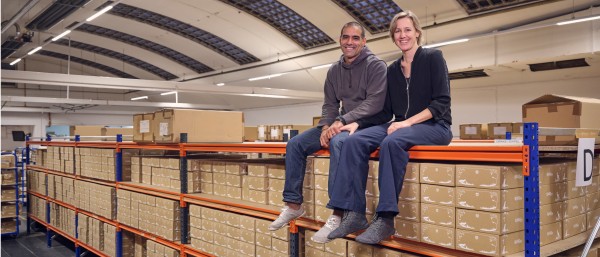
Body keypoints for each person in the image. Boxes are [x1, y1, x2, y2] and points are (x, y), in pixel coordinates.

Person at [325, 10, 453, 244]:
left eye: (407, 30)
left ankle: (385, 219)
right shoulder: (393, 70)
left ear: (417, 33)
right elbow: (385, 112)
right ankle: (354, 213)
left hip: (435, 126)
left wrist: (405, 122)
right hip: (399, 124)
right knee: (354, 141)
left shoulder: (433, 57)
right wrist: (357, 123)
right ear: (393, 36)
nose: (402, 35)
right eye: (397, 31)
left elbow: (441, 103)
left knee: (391, 141)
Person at [268, 22, 388, 243]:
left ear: (363, 41)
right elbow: (330, 104)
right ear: (340, 40)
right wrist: (325, 126)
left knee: (338, 143)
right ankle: (293, 204)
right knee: (295, 144)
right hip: (340, 121)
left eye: (355, 38)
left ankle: (338, 213)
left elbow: (375, 103)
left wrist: (341, 122)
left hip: (368, 123)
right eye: (345, 37)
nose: (349, 42)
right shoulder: (334, 70)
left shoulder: (376, 66)